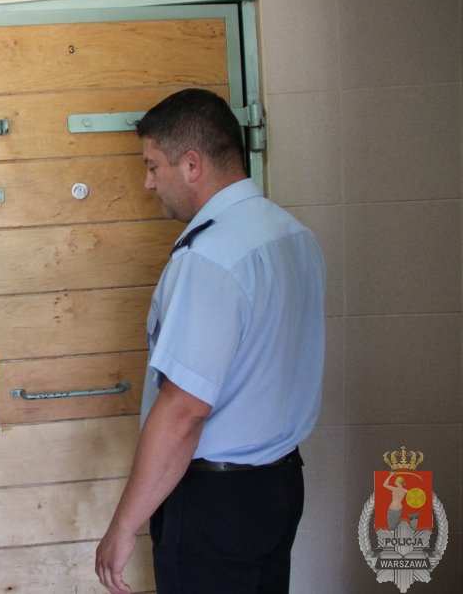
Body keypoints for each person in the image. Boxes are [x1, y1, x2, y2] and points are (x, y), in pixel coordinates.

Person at [95, 89, 325, 593]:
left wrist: (123, 525)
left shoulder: (209, 258)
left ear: (192, 164)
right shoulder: (294, 236)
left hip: (215, 505)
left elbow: (184, 411)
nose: (148, 182)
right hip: (280, 484)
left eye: (153, 166)